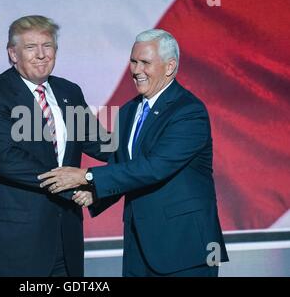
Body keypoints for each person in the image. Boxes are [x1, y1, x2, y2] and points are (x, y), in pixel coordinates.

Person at [38, 29, 229, 277]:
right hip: (138, 247)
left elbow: (154, 167)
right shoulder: (129, 111)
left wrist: (86, 176)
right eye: (133, 61)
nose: (136, 70)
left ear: (170, 67)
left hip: (184, 248)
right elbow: (123, 162)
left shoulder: (188, 111)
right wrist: (95, 194)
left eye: (145, 62)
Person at [0, 15, 110, 277]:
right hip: (11, 245)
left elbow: (99, 143)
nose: (41, 55)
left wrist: (144, 149)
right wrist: (76, 185)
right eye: (31, 47)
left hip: (65, 239)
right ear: (13, 53)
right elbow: (7, 160)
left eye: (48, 45)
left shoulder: (69, 91)